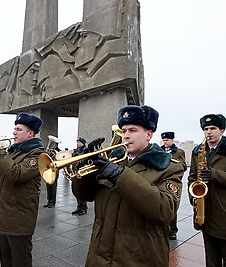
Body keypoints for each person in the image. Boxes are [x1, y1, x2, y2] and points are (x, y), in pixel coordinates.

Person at [72, 105, 185, 266]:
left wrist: (120, 176)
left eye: (133, 130)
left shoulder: (169, 166)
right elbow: (84, 195)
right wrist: (84, 171)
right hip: (99, 254)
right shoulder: (111, 160)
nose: (126, 136)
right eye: (123, 131)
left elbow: (165, 210)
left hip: (138, 258)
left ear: (149, 134)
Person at [0, 112, 44, 266]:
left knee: (21, 262)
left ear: (30, 133)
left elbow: (17, 174)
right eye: (14, 128)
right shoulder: (14, 152)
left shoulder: (38, 155)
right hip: (5, 217)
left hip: (19, 219)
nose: (14, 132)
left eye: (19, 129)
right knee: (6, 262)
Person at [188, 114, 226, 267]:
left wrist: (215, 174)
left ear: (222, 130)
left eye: (213, 128)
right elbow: (191, 179)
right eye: (206, 129)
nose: (208, 132)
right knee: (211, 258)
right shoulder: (198, 152)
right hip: (205, 212)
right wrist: (194, 198)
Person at [161, 131, 187, 240]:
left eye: (167, 140)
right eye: (164, 140)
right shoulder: (158, 150)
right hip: (161, 179)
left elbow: (183, 166)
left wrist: (170, 159)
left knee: (171, 206)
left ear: (172, 140)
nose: (165, 142)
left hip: (172, 181)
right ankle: (162, 228)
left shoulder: (179, 152)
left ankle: (172, 230)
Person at [71, 137, 88, 216]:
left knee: (82, 191)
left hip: (82, 173)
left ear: (83, 143)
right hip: (75, 172)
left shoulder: (85, 150)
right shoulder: (76, 150)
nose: (77, 143)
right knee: (77, 190)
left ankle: (84, 208)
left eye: (79, 142)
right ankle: (79, 207)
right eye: (77, 141)